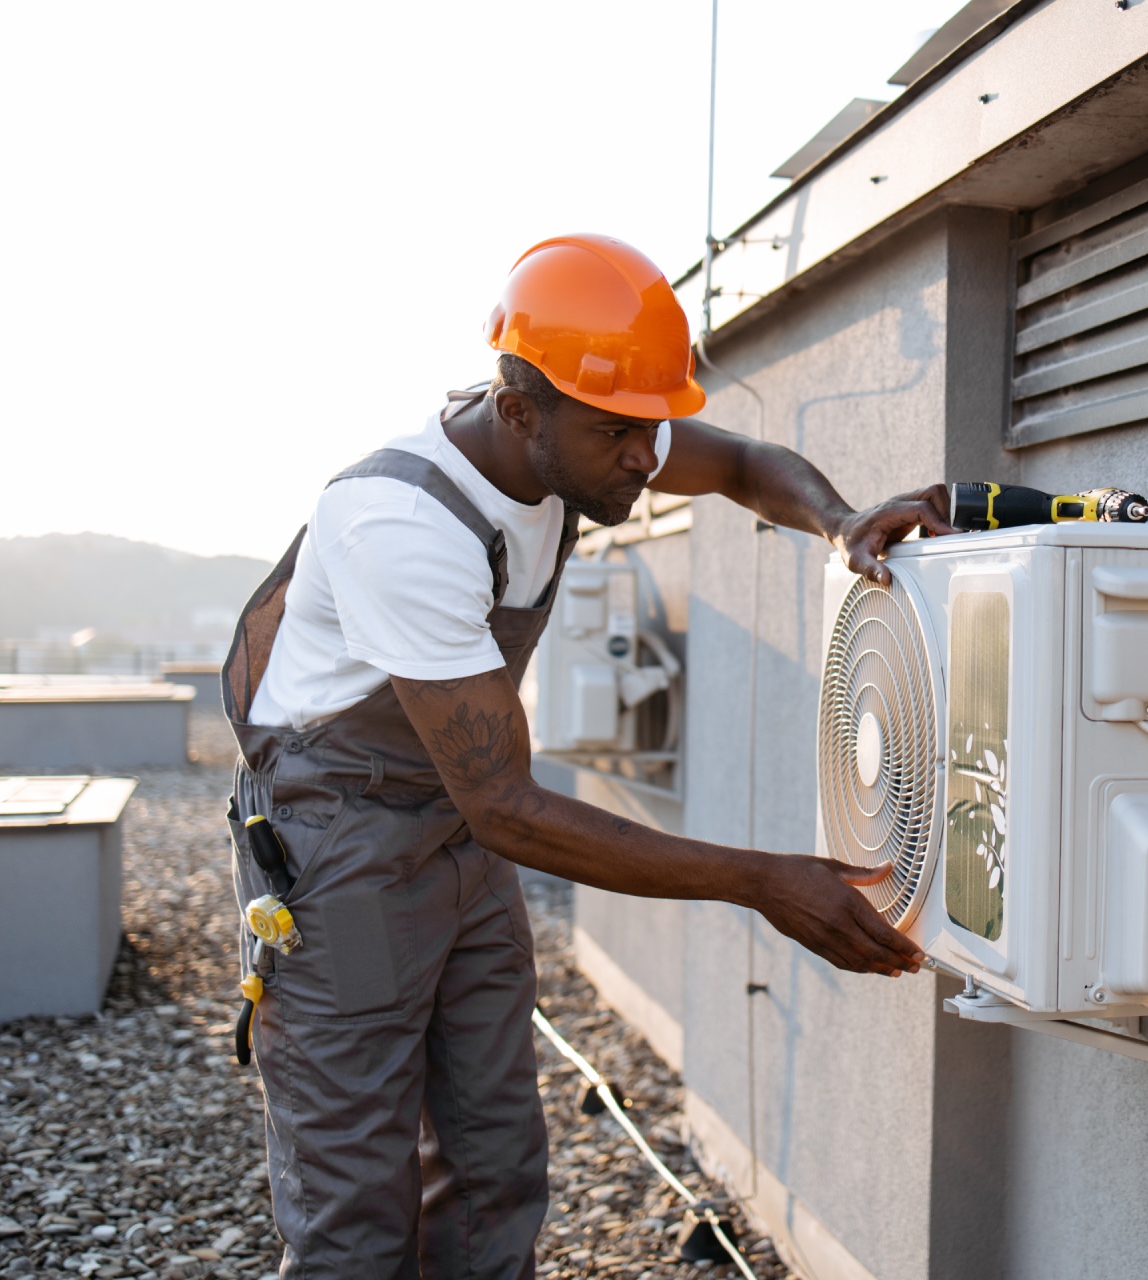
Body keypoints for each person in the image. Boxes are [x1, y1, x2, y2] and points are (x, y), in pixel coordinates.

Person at [219, 234, 953, 1278]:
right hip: (343, 844)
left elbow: (743, 464)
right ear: (520, 407)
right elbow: (511, 808)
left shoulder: (586, 439)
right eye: (620, 432)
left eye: (653, 428)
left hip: (458, 826)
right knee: (357, 1212)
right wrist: (761, 880)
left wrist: (837, 521)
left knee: (492, 1162)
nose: (644, 460)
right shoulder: (403, 522)